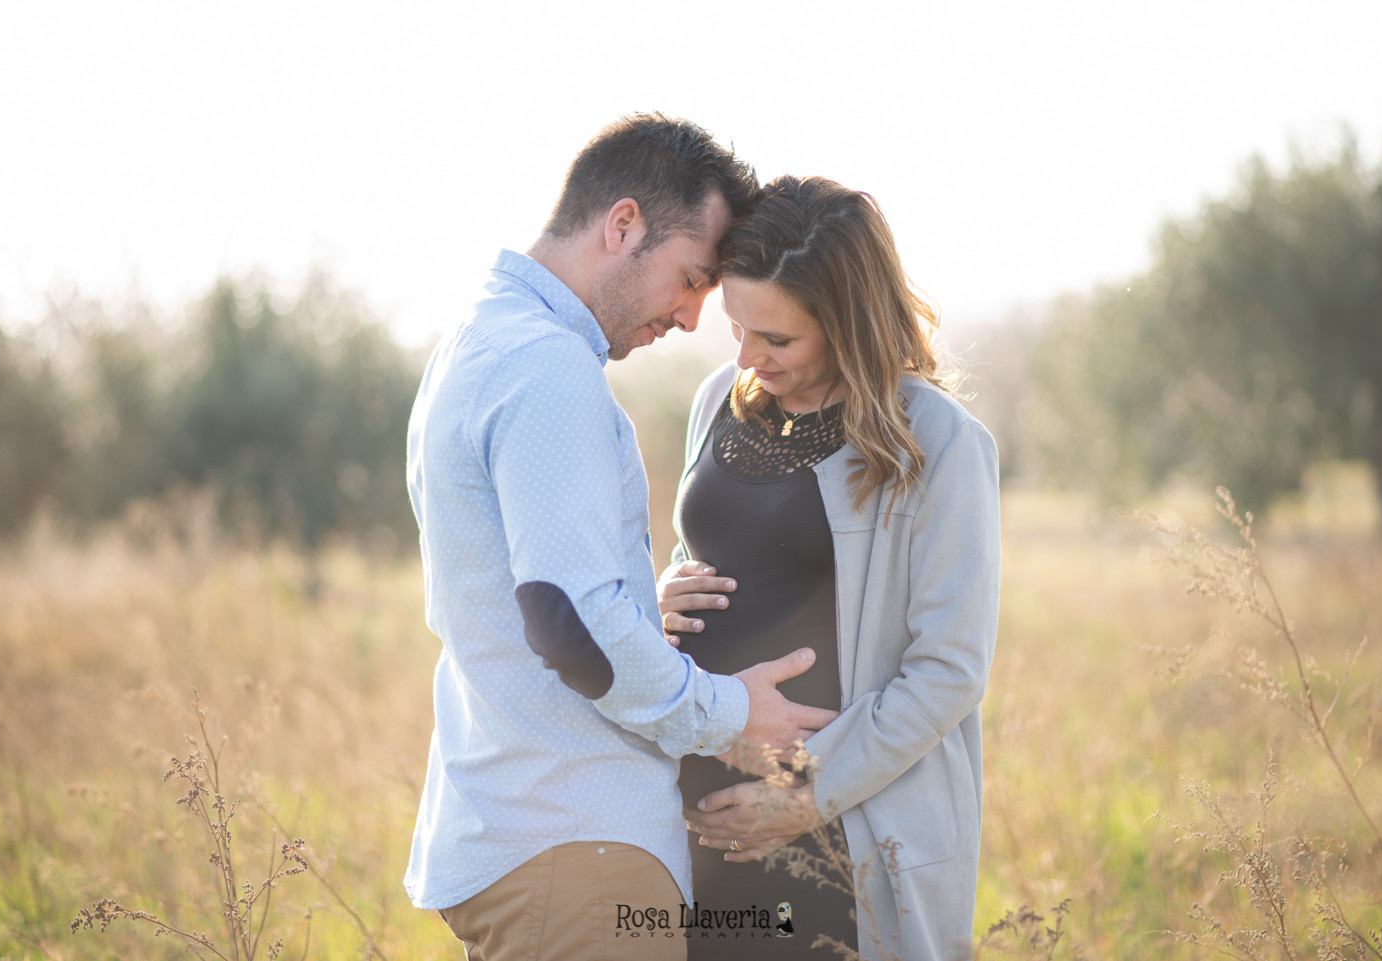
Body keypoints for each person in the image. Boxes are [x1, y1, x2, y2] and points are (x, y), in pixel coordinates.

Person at [403, 115, 838, 961]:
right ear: (624, 224)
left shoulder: (480, 337)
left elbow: (535, 591)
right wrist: (731, 714)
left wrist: (639, 603)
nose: (691, 318)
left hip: (533, 835)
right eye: (691, 278)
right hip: (579, 852)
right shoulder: (546, 366)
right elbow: (569, 617)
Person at [657, 175, 1001, 960]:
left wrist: (806, 796)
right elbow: (701, 555)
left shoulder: (940, 443)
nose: (747, 357)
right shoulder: (717, 399)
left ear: (848, 325)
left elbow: (949, 668)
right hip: (694, 831)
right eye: (738, 327)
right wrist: (660, 597)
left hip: (836, 835)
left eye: (777, 340)